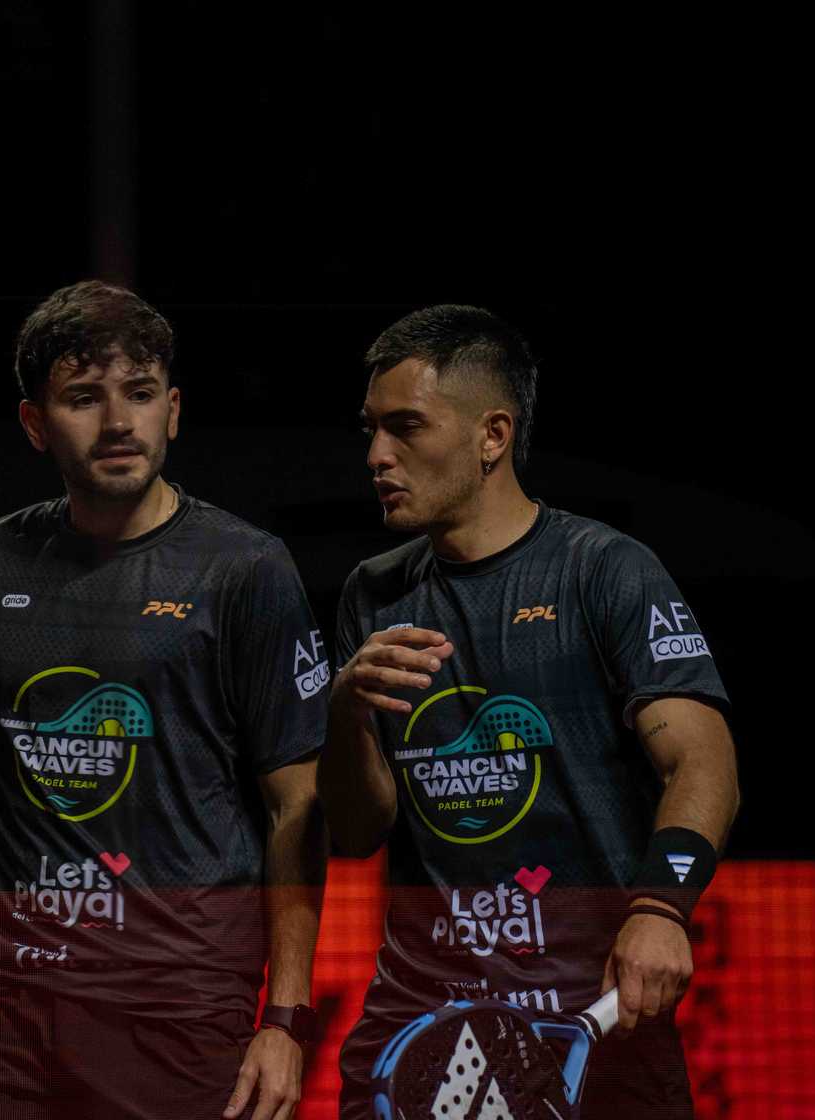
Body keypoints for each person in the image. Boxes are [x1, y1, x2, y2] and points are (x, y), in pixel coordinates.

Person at [0, 281, 329, 1120]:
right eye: (84, 398)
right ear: (35, 423)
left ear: (174, 410)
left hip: (175, 1008)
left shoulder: (246, 570)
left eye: (140, 393)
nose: (119, 422)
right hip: (0, 1007)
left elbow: (296, 809)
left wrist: (285, 1018)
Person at [318, 305, 740, 1118]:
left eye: (406, 426)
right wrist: (344, 711)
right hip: (424, 1020)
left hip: (595, 1012)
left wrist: (661, 908)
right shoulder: (373, 594)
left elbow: (703, 760)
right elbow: (359, 830)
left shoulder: (604, 571)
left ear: (493, 435)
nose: (376, 456)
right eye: (371, 429)